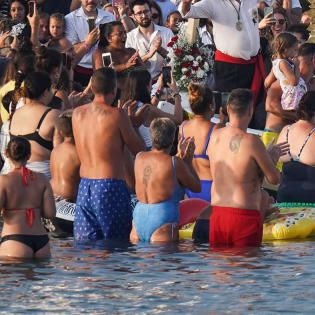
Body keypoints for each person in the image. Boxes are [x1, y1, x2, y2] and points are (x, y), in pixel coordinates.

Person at [180, 0, 312, 128]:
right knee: (227, 109)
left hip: (251, 65)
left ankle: (247, 139)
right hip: (228, 68)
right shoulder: (214, 1)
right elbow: (189, 12)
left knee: (249, 108)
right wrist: (186, 3)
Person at [71, 67, 146, 242]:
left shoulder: (77, 113)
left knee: (86, 247)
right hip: (109, 186)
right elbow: (139, 150)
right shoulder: (117, 115)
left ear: (93, 88)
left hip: (84, 187)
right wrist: (134, 125)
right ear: (114, 89)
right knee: (116, 246)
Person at [206, 88, 283, 249]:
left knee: (219, 271)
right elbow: (274, 178)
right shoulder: (252, 141)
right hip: (243, 216)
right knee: (246, 271)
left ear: (228, 109)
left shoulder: (215, 136)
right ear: (251, 110)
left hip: (218, 214)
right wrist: (271, 158)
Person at [131, 118, 200, 243]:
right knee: (166, 262)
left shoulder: (139, 157)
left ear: (152, 136)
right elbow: (196, 187)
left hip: (138, 216)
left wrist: (180, 158)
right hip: (162, 219)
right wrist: (188, 163)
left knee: (140, 261)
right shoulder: (174, 162)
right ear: (173, 138)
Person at [0, 137, 56, 259]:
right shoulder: (43, 179)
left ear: (6, 153)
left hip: (14, 240)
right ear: (29, 155)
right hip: (42, 242)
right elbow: (50, 213)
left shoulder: (3, 181)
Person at [178, 83, 215, 202]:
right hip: (211, 189)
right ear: (211, 106)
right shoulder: (216, 128)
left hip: (190, 188)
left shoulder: (183, 127)